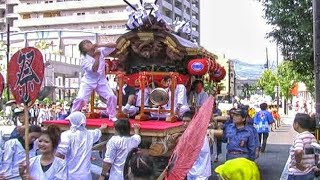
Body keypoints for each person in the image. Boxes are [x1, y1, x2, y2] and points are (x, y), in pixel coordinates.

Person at [71, 40, 117, 121]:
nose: (88, 44)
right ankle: (73, 115)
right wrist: (97, 57)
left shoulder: (100, 50)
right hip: (88, 80)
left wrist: (99, 44)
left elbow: (114, 45)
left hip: (101, 79)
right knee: (81, 98)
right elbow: (94, 69)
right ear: (83, 49)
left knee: (111, 96)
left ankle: (112, 115)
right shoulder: (83, 59)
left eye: (89, 43)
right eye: (85, 45)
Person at [56, 111, 107, 180]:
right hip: (85, 175)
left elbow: (59, 154)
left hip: (70, 174)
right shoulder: (89, 134)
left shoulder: (66, 135)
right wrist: (102, 127)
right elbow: (98, 132)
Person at [182, 111, 211, 179]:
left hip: (201, 171)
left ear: (194, 121)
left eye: (188, 121)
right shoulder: (188, 133)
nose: (185, 123)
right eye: (183, 121)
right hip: (191, 170)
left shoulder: (199, 133)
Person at [287, 113, 317, 180]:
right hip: (310, 172)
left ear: (297, 124)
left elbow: (299, 151)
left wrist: (298, 163)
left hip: (297, 173)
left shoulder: (300, 137)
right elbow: (316, 153)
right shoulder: (312, 137)